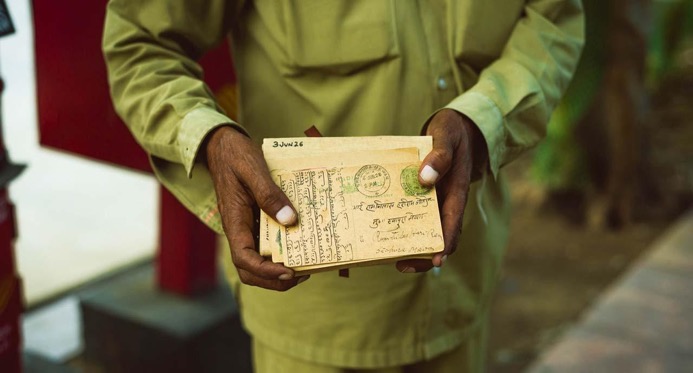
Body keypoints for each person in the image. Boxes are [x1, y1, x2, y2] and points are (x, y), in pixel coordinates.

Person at [103, 1, 584, 371]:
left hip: (462, 281)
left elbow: (552, 19)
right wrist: (209, 138)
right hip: (315, 318)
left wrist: (484, 120)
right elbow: (139, 44)